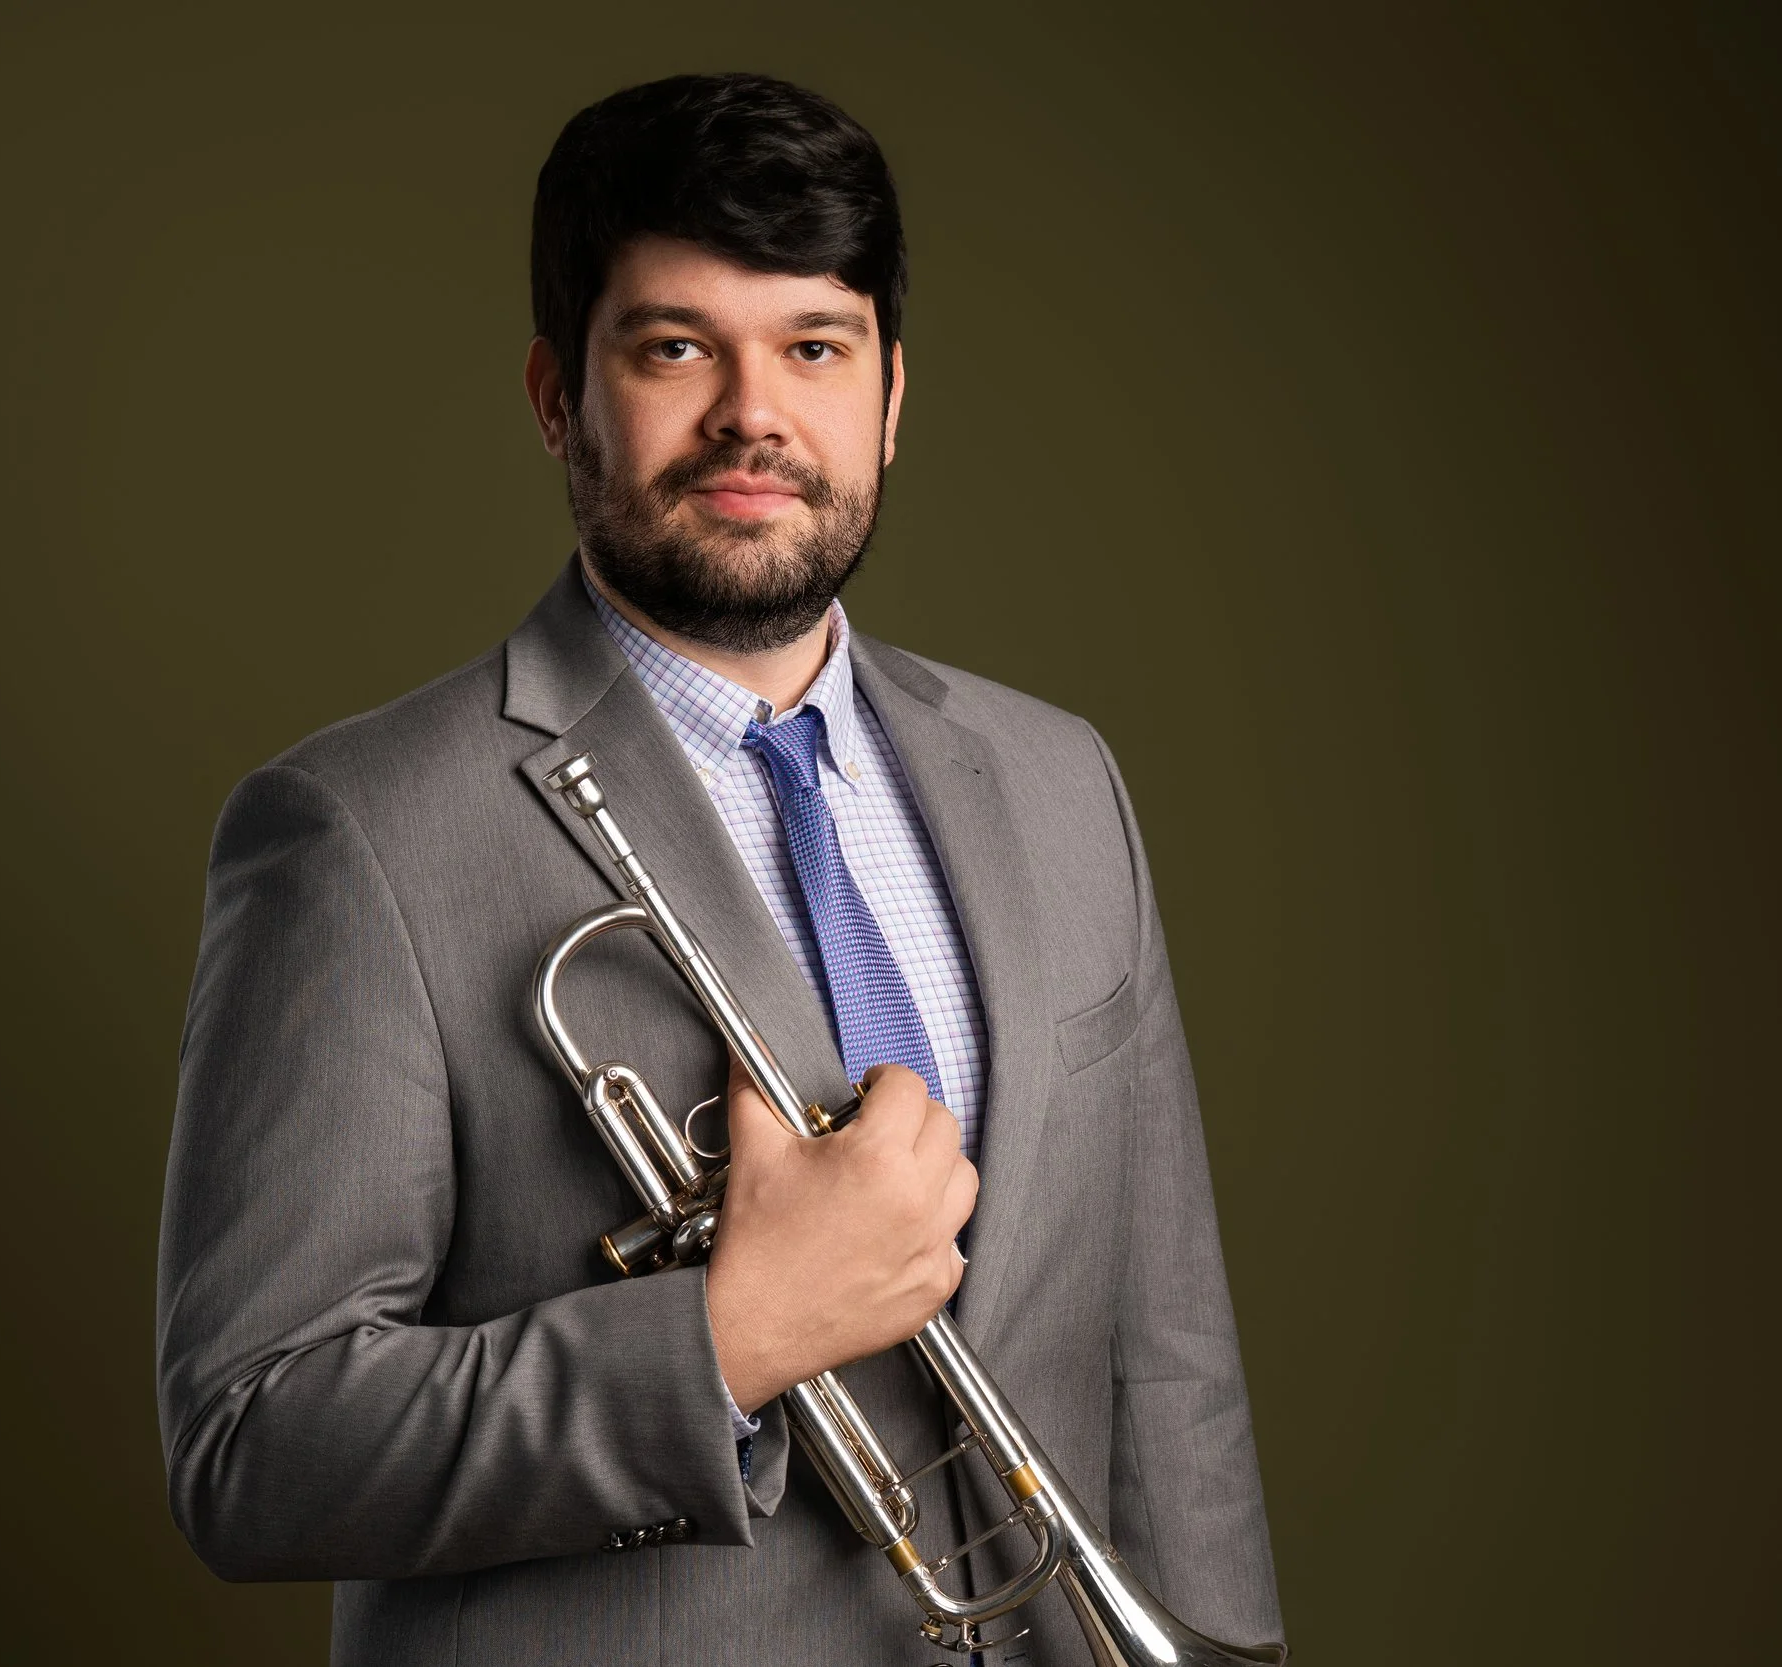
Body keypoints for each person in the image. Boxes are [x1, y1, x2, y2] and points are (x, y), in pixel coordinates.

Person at [156, 72, 1285, 1666]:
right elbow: (251, 1445)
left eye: (815, 348)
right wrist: (730, 1335)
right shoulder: (355, 830)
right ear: (560, 395)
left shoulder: (1059, 781)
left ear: (891, 395)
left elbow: (1170, 1362)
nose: (756, 412)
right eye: (677, 346)